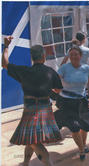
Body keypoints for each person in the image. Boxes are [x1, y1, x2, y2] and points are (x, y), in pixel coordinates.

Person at [2, 36, 63, 166]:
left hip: (30, 110)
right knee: (31, 139)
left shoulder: (25, 72)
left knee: (33, 140)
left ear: (32, 58)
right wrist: (47, 90)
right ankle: (25, 163)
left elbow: (4, 63)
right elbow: (58, 90)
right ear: (43, 57)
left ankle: (49, 164)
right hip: (45, 109)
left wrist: (6, 46)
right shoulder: (50, 72)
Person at [54, 46, 89, 161]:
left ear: (80, 56)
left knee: (84, 126)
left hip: (81, 101)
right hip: (67, 102)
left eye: (76, 54)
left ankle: (83, 144)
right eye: (71, 54)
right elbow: (55, 81)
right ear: (69, 56)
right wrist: (58, 89)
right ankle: (81, 149)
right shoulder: (64, 68)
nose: (74, 56)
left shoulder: (86, 68)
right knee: (74, 127)